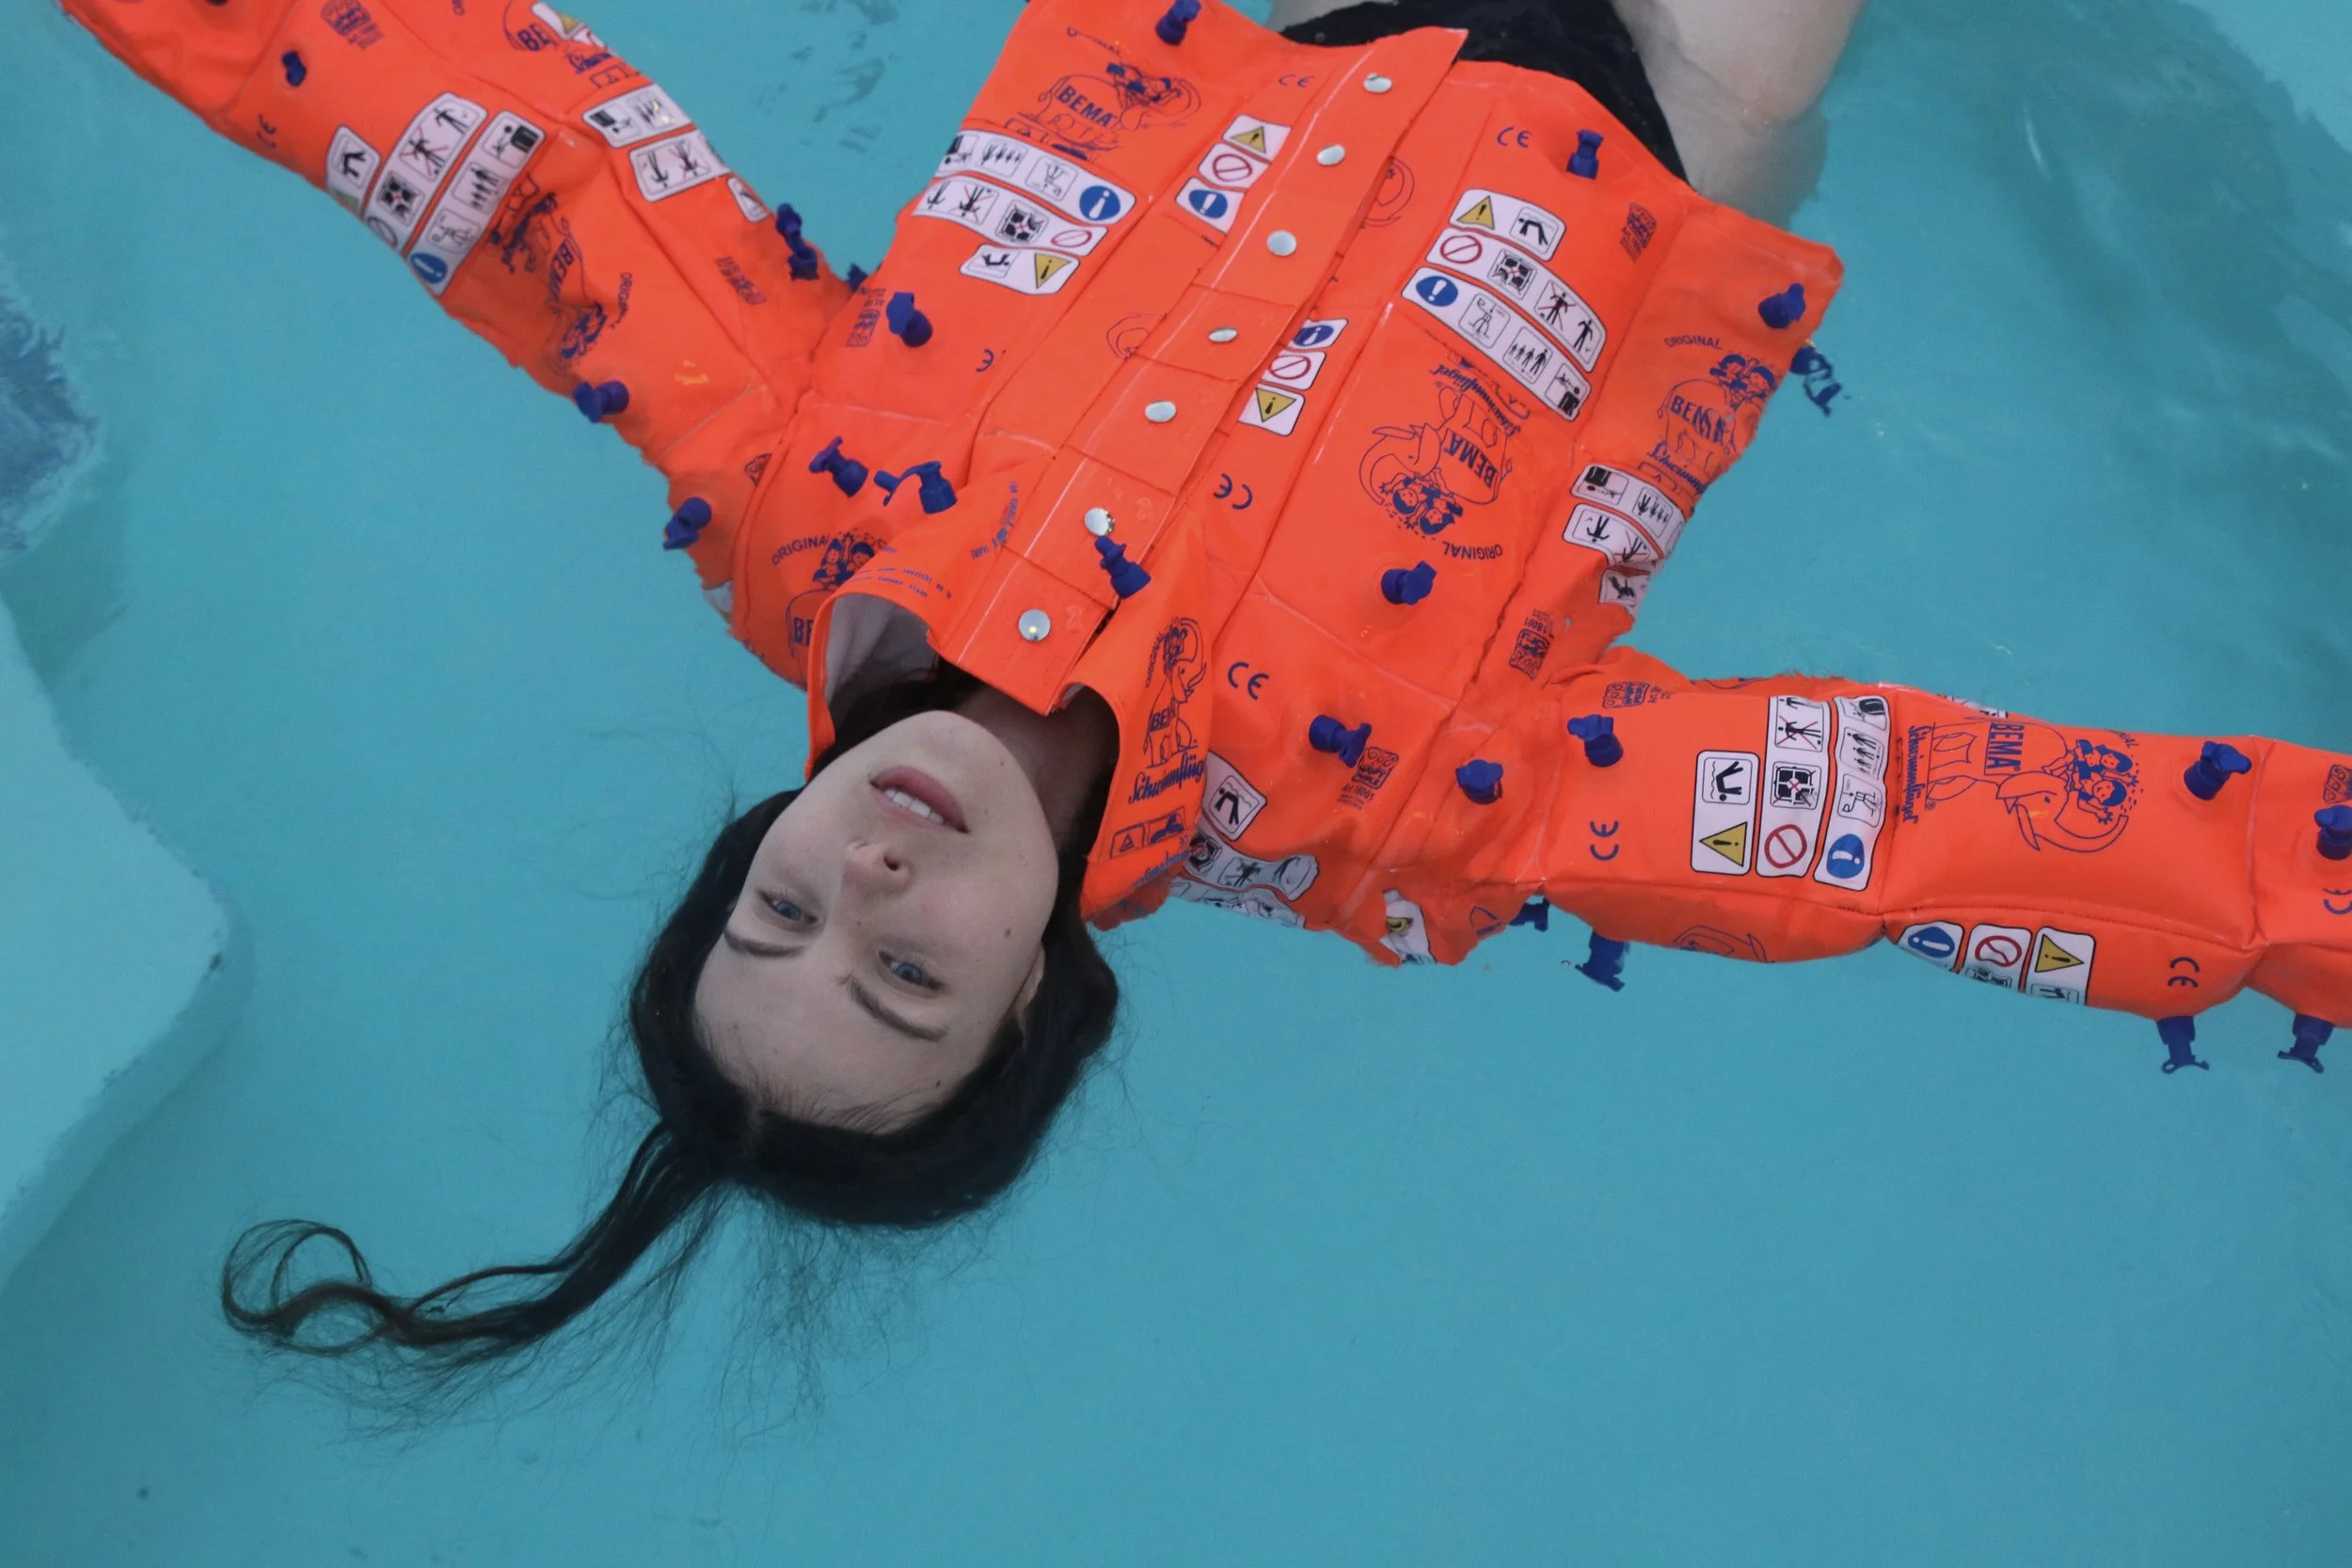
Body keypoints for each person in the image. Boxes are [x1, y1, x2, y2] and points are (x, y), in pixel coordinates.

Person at [54, 0, 2348, 1386]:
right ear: (1038, 995)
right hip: (1659, 104)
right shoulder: (1409, 817)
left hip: (1294, 49)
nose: (865, 881)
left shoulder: (802, 514)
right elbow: (1928, 828)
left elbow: (517, 172)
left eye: (779, 911)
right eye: (906, 973)